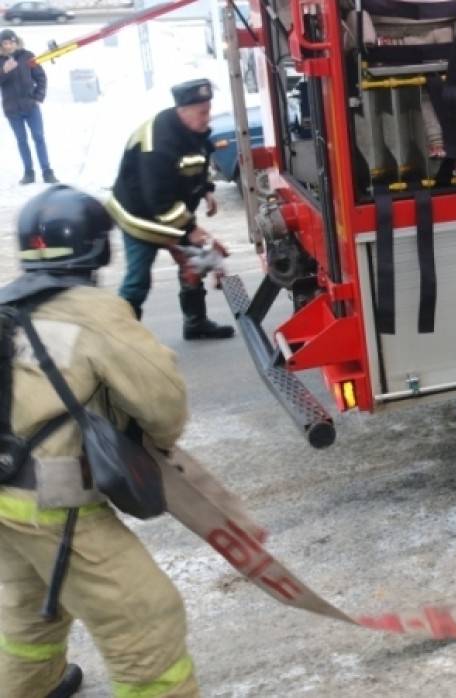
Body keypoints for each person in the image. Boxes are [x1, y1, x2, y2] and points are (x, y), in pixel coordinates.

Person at [0, 186, 199, 697]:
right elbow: (161, 399)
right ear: (99, 249)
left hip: (5, 503)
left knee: (32, 608)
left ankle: (31, 686)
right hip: (54, 502)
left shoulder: (6, 306)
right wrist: (158, 441)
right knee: (145, 619)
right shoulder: (92, 312)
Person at [105, 78, 233, 339]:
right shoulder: (158, 141)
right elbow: (159, 199)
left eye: (208, 111)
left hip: (172, 214)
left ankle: (195, 323)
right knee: (138, 279)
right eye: (203, 113)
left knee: (195, 262)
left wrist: (206, 189)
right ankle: (121, 340)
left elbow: (197, 161)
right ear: (182, 111)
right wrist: (191, 230)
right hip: (140, 218)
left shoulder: (192, 130)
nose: (207, 119)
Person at [0, 28, 57, 185]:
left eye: (11, 42)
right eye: (5, 43)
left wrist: (38, 97)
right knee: (22, 141)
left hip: (31, 107)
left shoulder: (27, 56)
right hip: (12, 110)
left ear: (16, 41)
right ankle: (29, 173)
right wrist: (4, 71)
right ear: (1, 45)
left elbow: (41, 77)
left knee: (39, 138)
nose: (9, 45)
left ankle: (47, 172)